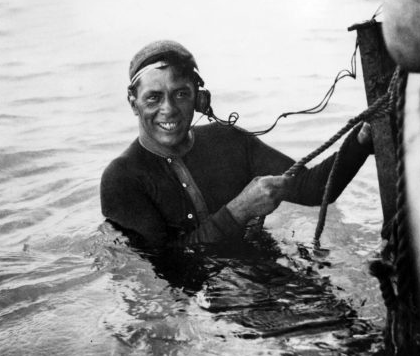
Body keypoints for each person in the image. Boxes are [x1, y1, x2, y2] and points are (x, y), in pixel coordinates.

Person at [101, 40, 372, 247]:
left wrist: (360, 141)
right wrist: (239, 210)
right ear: (133, 103)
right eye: (153, 98)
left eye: (181, 94)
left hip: (265, 271)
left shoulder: (229, 140)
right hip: (204, 306)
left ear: (199, 99)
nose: (168, 109)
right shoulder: (122, 178)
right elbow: (168, 264)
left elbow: (313, 189)